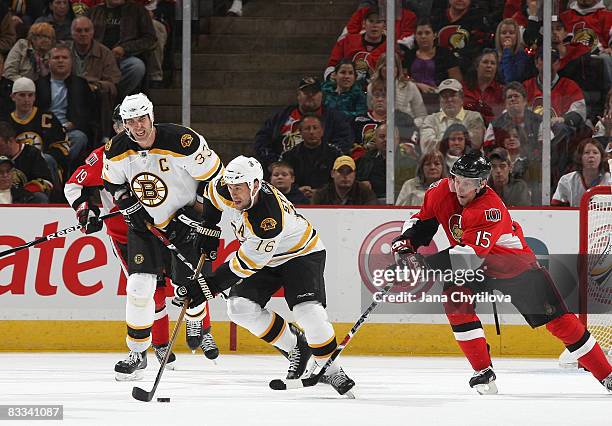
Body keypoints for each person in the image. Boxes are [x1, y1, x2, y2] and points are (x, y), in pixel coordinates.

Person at [391, 151, 612, 394]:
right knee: (455, 300)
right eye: (456, 179)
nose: (459, 187)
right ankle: (483, 371)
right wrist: (405, 246)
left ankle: (607, 374)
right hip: (477, 265)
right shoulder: (441, 190)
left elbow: (467, 259)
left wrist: (419, 266)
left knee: (560, 323)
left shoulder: (489, 208)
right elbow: (423, 221)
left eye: (468, 183)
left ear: (482, 184)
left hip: (515, 267)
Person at [184, 155, 356, 396]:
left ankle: (333, 370)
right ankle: (297, 347)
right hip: (264, 257)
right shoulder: (227, 187)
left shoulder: (267, 217)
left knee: (309, 313)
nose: (234, 194)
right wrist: (209, 227)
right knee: (239, 308)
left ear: (255, 185)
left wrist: (207, 287)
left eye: (240, 188)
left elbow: (246, 264)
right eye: (232, 187)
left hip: (300, 254)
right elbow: (212, 194)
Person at [102, 93, 224, 380]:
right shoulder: (117, 148)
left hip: (184, 224)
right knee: (138, 286)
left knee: (188, 289)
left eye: (142, 118)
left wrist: (199, 215)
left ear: (151, 116)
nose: (137, 127)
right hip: (145, 227)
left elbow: (214, 179)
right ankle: (137, 353)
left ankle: (198, 321)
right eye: (130, 121)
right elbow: (113, 184)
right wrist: (129, 207)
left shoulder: (183, 141)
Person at [254, 76, 352, 172]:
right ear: (298, 95)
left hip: (322, 170)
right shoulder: (281, 116)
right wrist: (273, 162)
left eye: (314, 92)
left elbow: (344, 141)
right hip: (283, 171)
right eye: (306, 92)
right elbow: (261, 140)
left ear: (321, 95)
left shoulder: (335, 118)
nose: (310, 95)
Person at [280, 113, 342, 200]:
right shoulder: (289, 155)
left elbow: (341, 180)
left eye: (315, 128)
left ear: (322, 131)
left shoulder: (335, 154)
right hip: (296, 200)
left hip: (328, 200)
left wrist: (320, 192)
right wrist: (296, 190)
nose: (311, 132)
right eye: (307, 129)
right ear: (300, 132)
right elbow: (281, 180)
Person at [419, 78, 485, 154]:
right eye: (444, 96)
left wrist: (442, 143)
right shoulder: (430, 120)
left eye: (453, 95)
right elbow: (427, 147)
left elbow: (475, 143)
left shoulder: (474, 117)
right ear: (440, 100)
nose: (449, 99)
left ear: (462, 98)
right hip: (439, 163)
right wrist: (458, 142)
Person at [0, 120, 53, 203]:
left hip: (25, 197)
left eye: (0, 145)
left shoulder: (32, 154)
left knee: (40, 197)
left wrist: (21, 192)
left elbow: (46, 182)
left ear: (10, 141)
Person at [551, 138, 611, 207]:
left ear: (601, 157)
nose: (591, 156)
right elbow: (556, 208)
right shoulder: (567, 180)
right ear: (580, 157)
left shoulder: (610, 179)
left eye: (595, 152)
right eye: (587, 152)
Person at [312, 155, 378, 206]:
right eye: (341, 171)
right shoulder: (321, 195)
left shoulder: (365, 193)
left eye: (349, 172)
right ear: (332, 174)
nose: (345, 176)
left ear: (355, 174)